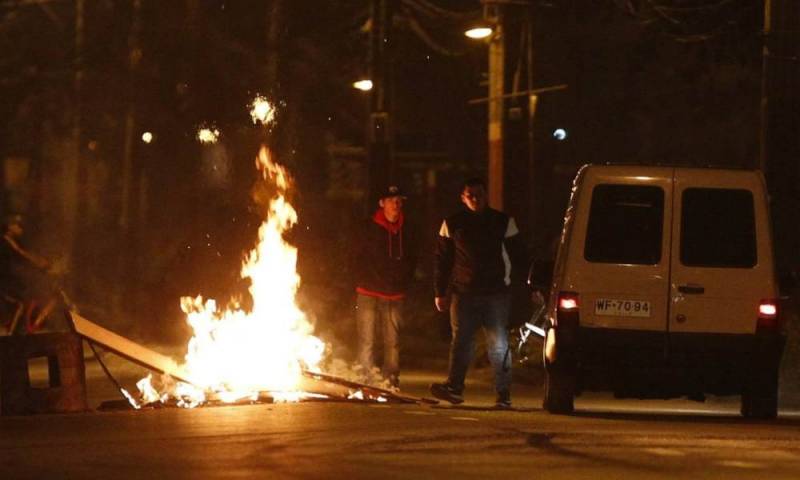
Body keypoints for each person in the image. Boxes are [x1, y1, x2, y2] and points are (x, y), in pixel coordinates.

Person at [431, 178, 526, 408]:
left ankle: (503, 394)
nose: (475, 199)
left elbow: (519, 257)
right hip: (463, 293)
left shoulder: (503, 222)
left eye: (479, 194)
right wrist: (440, 292)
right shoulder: (452, 223)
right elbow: (442, 261)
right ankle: (454, 388)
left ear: (486, 195)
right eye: (470, 195)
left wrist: (524, 288)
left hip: (496, 293)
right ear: (462, 198)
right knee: (461, 342)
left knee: (499, 343)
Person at [353, 186, 416, 388]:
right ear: (382, 203)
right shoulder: (368, 226)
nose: (395, 204)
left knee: (393, 341)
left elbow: (413, 257)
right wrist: (361, 277)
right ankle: (365, 378)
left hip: (394, 293)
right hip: (368, 291)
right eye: (391, 200)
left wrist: (405, 280)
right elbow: (355, 255)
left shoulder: (408, 229)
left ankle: (391, 380)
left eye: (398, 200)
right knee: (367, 339)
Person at [0, 214, 59, 334]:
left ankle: (17, 332)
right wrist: (42, 264)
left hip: (10, 280)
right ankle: (11, 338)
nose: (21, 229)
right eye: (18, 226)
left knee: (31, 293)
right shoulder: (4, 241)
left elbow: (24, 256)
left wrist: (42, 263)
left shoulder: (13, 242)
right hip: (4, 282)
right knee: (21, 303)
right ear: (10, 226)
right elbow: (21, 255)